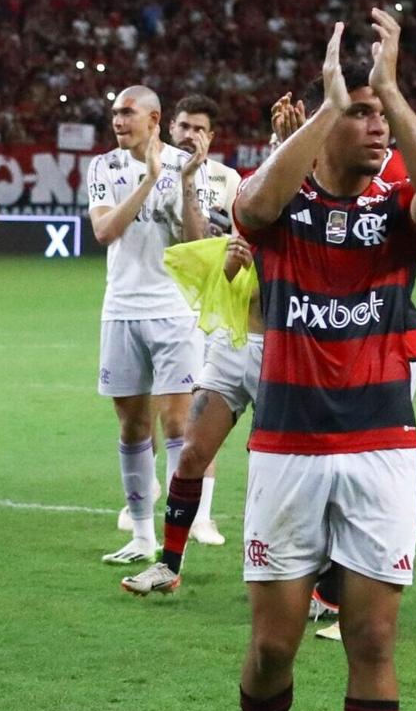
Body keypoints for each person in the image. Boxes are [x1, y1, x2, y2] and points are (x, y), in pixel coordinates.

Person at [213, 11, 416, 711]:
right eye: (363, 114)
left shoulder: (396, 211)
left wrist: (387, 86)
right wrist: (326, 105)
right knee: (274, 646)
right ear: (327, 125)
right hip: (287, 447)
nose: (377, 126)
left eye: (381, 116)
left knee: (374, 638)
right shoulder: (282, 208)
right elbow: (251, 207)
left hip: (381, 448)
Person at [122, 94, 304, 597]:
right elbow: (219, 253)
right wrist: (231, 262)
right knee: (192, 455)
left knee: (288, 473)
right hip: (233, 344)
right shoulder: (247, 198)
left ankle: (312, 580)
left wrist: (290, 140)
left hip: (284, 352)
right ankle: (169, 565)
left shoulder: (313, 206)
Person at [87, 85, 208, 565]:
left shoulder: (184, 165)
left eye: (127, 113)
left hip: (175, 312)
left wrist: (185, 184)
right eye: (114, 113)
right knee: (132, 425)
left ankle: (176, 542)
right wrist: (146, 182)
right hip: (121, 309)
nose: (117, 121)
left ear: (154, 118)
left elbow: (195, 244)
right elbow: (103, 231)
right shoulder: (103, 167)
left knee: (178, 422)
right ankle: (141, 535)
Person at [167, 94, 241, 546]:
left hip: (209, 308)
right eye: (183, 126)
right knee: (158, 413)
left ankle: (203, 516)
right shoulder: (150, 174)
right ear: (169, 130)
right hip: (162, 305)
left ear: (210, 138)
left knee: (197, 411)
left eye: (199, 128)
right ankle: (140, 503)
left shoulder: (229, 180)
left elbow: (237, 234)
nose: (190, 134)